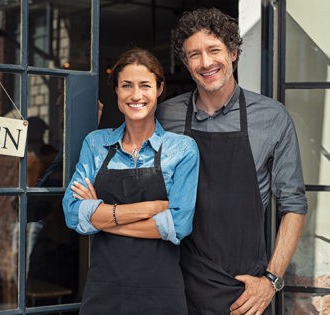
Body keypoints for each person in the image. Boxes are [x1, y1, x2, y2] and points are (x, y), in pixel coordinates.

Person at [156, 7, 307, 315]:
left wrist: (271, 280)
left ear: (234, 51)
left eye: (214, 50)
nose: (206, 62)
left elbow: (294, 205)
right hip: (175, 282)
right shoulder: (165, 115)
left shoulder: (272, 117)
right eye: (194, 54)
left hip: (242, 291)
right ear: (185, 63)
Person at [62, 47, 199, 315]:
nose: (136, 95)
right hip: (104, 290)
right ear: (116, 91)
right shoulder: (96, 144)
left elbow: (177, 226)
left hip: (161, 293)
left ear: (159, 89)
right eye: (126, 85)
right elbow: (71, 212)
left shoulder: (182, 149)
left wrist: (101, 217)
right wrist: (149, 209)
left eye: (145, 85)